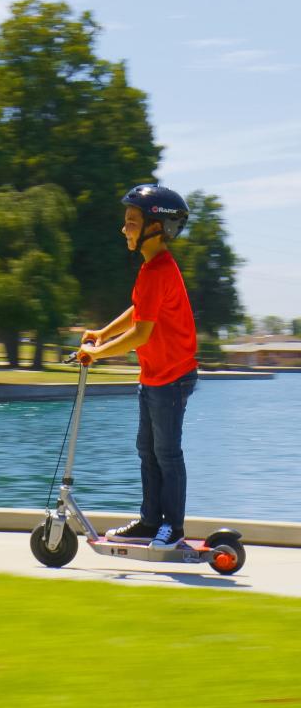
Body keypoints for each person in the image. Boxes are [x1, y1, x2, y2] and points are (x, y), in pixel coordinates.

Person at [78, 184, 198, 549]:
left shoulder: (161, 269)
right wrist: (102, 332)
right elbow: (138, 311)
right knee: (147, 449)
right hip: (153, 375)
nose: (124, 229)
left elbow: (141, 335)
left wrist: (96, 354)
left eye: (131, 222)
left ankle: (172, 529)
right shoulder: (151, 269)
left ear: (155, 227)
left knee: (167, 453)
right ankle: (150, 522)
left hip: (172, 376)